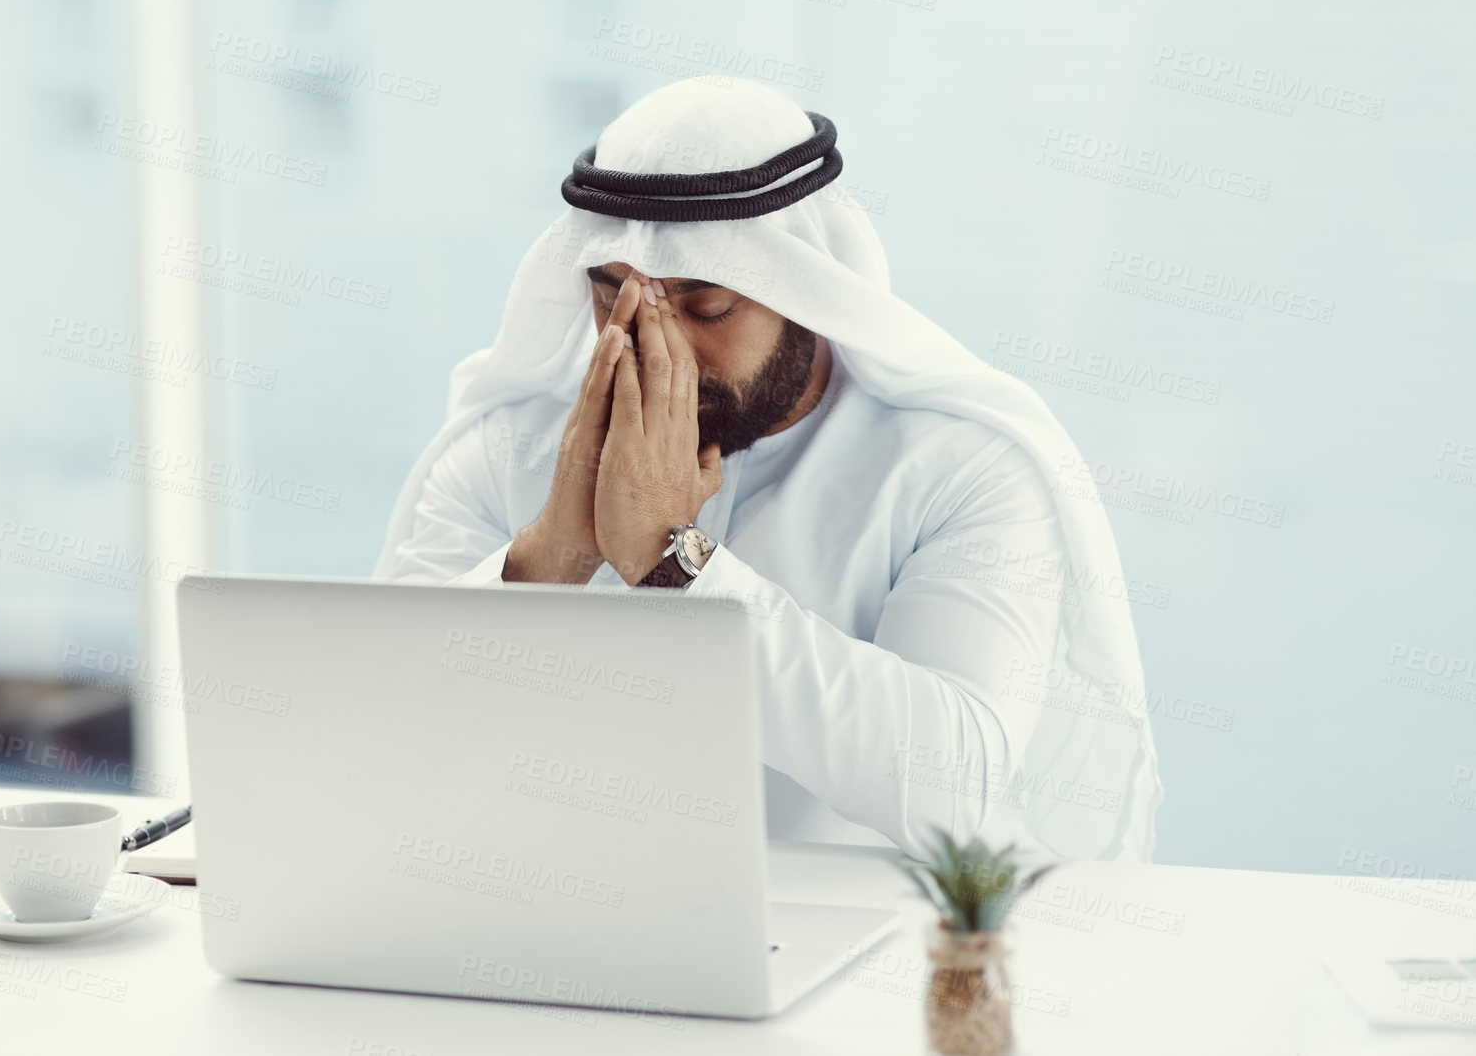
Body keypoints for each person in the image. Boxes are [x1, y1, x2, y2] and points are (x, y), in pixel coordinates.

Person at [374, 77, 1163, 863]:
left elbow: (952, 784)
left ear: (804, 285)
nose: (657, 346)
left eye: (705, 306)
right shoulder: (501, 448)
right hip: (560, 932)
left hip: (877, 955)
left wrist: (671, 563)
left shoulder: (962, 466)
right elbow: (372, 740)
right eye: (611, 295)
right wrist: (550, 559)